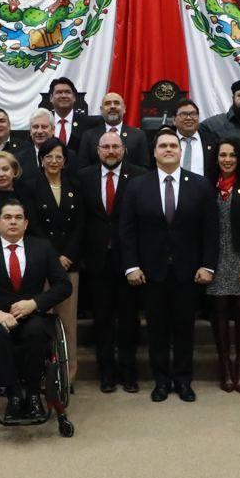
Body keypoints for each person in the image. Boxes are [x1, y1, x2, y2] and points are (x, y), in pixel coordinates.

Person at [120, 128, 217, 402]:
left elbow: (211, 230)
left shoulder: (200, 185)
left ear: (180, 150)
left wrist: (208, 265)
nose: (168, 149)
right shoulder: (138, 185)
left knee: (185, 329)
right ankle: (161, 381)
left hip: (189, 272)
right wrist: (131, 266)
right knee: (157, 330)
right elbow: (127, 230)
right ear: (154, 152)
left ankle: (184, 381)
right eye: (162, 146)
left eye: (173, 145)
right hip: (151, 273)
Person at [0, 200, 72, 420]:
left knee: (37, 331)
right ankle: (12, 395)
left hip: (33, 316)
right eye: (8, 217)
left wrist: (35, 303)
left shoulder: (43, 247)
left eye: (18, 217)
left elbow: (63, 286)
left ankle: (32, 394)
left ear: (26, 223)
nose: (13, 222)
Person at [77, 131, 147, 393]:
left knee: (129, 319)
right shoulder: (84, 177)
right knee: (102, 320)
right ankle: (106, 372)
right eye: (105, 147)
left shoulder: (140, 176)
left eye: (115, 147)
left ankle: (128, 372)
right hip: (96, 262)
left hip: (129, 260)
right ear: (97, 150)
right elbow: (81, 220)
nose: (110, 151)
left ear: (124, 150)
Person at [205, 138, 240, 393]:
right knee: (218, 311)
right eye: (222, 155)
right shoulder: (207, 186)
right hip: (215, 259)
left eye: (232, 155)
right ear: (216, 158)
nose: (227, 159)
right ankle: (225, 365)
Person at [27, 138, 84, 382]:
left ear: (65, 161)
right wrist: (54, 256)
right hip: (41, 263)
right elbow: (32, 224)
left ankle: (67, 375)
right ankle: (42, 374)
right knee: (41, 321)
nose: (53, 161)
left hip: (69, 264)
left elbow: (81, 225)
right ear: (41, 160)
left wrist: (67, 255)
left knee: (68, 322)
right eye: (48, 156)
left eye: (58, 157)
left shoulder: (75, 185)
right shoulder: (29, 185)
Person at [77, 92, 150, 169]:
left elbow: (144, 168)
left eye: (116, 103)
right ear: (101, 110)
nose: (112, 106)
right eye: (108, 104)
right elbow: (83, 168)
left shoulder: (138, 135)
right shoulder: (88, 136)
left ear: (124, 109)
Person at [172, 98, 218, 179]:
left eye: (193, 114)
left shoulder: (213, 141)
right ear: (174, 120)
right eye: (183, 114)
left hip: (204, 190)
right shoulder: (166, 141)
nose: (189, 118)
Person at [48, 76, 90, 151]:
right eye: (59, 92)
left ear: (74, 97)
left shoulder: (87, 123)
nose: (63, 96)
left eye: (67, 92)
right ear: (51, 98)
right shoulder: (45, 122)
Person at [16, 109, 56, 183]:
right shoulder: (19, 159)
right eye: (35, 127)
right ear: (30, 131)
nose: (39, 131)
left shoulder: (67, 156)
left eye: (44, 127)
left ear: (53, 130)